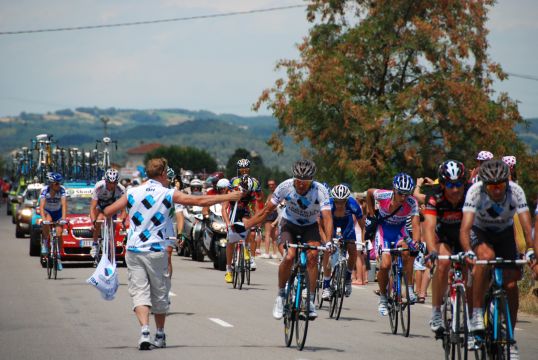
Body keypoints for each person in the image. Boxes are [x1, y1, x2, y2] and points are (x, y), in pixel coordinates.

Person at [103, 158, 242, 350]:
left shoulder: (131, 192)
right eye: (166, 172)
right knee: (159, 294)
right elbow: (200, 200)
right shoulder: (167, 193)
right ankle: (159, 334)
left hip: (134, 250)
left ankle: (144, 331)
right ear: (161, 174)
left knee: (139, 294)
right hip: (157, 250)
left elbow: (108, 211)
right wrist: (228, 197)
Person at [460, 160, 535, 359]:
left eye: (500, 185)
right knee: (486, 257)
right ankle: (476, 314)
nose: (496, 190)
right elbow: (465, 228)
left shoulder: (516, 191)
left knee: (511, 284)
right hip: (480, 232)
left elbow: (529, 230)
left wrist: (530, 251)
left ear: (507, 183)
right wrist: (468, 251)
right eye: (492, 186)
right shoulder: (474, 191)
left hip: (503, 234)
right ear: (483, 184)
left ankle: (509, 337)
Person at [240, 159, 332, 320]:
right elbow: (266, 211)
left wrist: (329, 241)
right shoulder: (285, 186)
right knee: (289, 256)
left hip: (310, 227)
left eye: (306, 182)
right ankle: (281, 296)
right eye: (298, 181)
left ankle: (309, 300)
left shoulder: (321, 191)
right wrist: (248, 224)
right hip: (289, 224)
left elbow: (327, 218)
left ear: (312, 180)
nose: (301, 185)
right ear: (293, 178)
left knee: (312, 257)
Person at [420, 160, 469, 332]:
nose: (455, 189)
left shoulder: (471, 194)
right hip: (444, 235)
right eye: (449, 184)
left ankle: (471, 309)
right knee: (443, 264)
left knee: (472, 264)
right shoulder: (435, 197)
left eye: (458, 184)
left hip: (465, 233)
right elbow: (429, 227)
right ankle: (436, 313)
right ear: (441, 184)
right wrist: (432, 251)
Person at [366, 172, 420, 316]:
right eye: (401, 194)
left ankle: (409, 288)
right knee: (385, 265)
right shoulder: (383, 195)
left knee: (408, 252)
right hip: (383, 230)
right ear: (394, 190)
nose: (403, 197)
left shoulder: (412, 202)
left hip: (400, 231)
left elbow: (415, 225)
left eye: (407, 194)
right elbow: (369, 193)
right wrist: (371, 214)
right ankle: (383, 299)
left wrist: (416, 241)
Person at [321, 184, 364, 299]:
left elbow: (362, 224)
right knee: (328, 251)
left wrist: (365, 240)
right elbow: (319, 224)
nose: (339, 204)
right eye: (337, 201)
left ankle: (348, 278)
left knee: (353, 250)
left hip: (347, 226)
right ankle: (326, 286)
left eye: (342, 201)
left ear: (347, 200)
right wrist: (326, 240)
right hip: (331, 226)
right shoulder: (328, 204)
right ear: (333, 199)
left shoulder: (353, 204)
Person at [229, 158, 263, 268]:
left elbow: (258, 199)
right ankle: (230, 263)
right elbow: (227, 197)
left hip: (246, 209)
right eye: (241, 169)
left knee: (252, 232)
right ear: (238, 170)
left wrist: (258, 219)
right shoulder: (233, 181)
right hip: (234, 209)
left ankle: (251, 257)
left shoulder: (255, 182)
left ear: (249, 170)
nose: (244, 171)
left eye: (246, 169)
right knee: (232, 237)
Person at [90, 168, 126, 260]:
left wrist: (122, 219)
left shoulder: (121, 188)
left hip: (111, 206)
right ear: (105, 181)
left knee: (112, 229)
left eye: (114, 183)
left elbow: (124, 207)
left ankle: (110, 249)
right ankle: (95, 244)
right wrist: (93, 221)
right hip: (100, 206)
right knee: (99, 220)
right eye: (109, 183)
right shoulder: (99, 186)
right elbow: (92, 207)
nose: (111, 185)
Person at [39, 172, 68, 271]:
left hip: (58, 212)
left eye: (59, 183)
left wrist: (63, 218)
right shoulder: (44, 190)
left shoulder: (62, 190)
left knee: (59, 234)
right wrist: (43, 220)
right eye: (56, 183)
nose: (59, 185)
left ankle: (59, 258)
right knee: (47, 221)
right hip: (48, 212)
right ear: (51, 184)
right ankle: (45, 242)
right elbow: (41, 207)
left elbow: (64, 205)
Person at [261, 179, 279, 259]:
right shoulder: (271, 194)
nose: (271, 186)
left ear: (275, 185)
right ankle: (275, 253)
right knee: (273, 235)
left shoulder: (275, 194)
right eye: (269, 185)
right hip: (274, 214)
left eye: (272, 184)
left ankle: (267, 252)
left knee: (268, 234)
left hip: (272, 214)